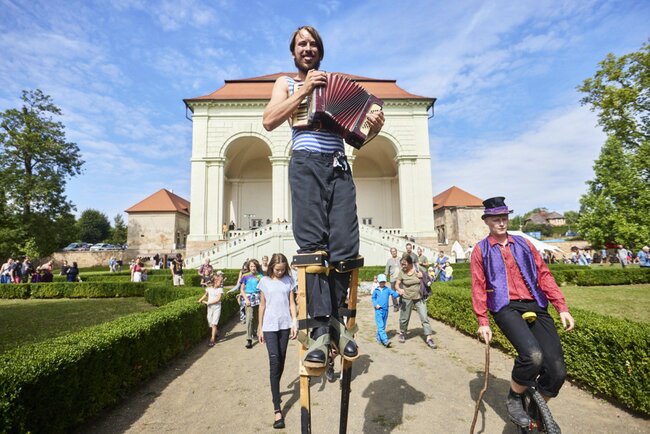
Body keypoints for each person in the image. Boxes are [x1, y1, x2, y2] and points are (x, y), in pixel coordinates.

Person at [262, 25, 384, 367]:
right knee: (313, 246)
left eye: (313, 43)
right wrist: (303, 91)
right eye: (302, 43)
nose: (308, 47)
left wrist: (372, 129)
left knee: (345, 245)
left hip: (338, 164)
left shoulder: (336, 83)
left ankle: (336, 323)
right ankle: (318, 329)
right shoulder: (286, 84)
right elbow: (269, 120)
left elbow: (357, 136)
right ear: (293, 52)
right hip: (305, 163)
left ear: (320, 50)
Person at [470, 196, 575, 428]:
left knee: (557, 372)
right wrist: (483, 320)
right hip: (505, 306)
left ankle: (537, 412)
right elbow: (478, 285)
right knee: (533, 356)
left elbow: (544, 274)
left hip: (535, 303)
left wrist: (561, 307)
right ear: (487, 220)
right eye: (496, 218)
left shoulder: (524, 244)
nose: (501, 222)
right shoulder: (480, 250)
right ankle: (515, 397)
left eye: (504, 217)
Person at [257, 253, 298, 429]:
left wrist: (294, 321)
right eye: (277, 270)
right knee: (274, 361)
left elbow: (292, 303)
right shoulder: (264, 282)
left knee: (280, 362)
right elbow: (262, 305)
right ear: (271, 267)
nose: (280, 272)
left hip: (284, 324)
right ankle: (277, 409)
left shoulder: (289, 280)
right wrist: (259, 327)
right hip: (269, 326)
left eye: (282, 270)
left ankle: (276, 387)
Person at [395, 253, 437, 349]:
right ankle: (402, 332)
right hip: (406, 297)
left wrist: (422, 276)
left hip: (419, 297)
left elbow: (429, 278)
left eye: (404, 264)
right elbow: (397, 284)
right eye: (402, 264)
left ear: (410, 263)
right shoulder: (402, 272)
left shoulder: (419, 269)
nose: (403, 266)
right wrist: (399, 289)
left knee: (424, 317)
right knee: (404, 318)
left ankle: (429, 337)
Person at [240, 259, 264, 349]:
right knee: (249, 318)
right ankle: (249, 339)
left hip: (258, 298)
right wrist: (246, 299)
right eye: (251, 266)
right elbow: (242, 289)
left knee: (257, 318)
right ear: (249, 267)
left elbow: (263, 289)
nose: (253, 268)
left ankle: (255, 333)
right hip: (249, 298)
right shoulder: (245, 276)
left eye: (254, 266)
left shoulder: (260, 276)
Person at [372, 274, 400, 347]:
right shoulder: (376, 290)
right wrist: (375, 304)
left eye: (383, 282)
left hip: (386, 310)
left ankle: (378, 338)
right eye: (381, 282)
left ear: (385, 282)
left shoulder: (387, 289)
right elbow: (373, 298)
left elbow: (394, 294)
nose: (382, 283)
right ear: (378, 282)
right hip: (378, 310)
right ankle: (385, 340)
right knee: (380, 325)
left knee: (383, 325)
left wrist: (400, 293)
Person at [198, 273, 224, 347]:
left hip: (217, 307)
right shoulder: (209, 289)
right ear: (215, 281)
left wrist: (208, 302)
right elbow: (205, 295)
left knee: (214, 323)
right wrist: (200, 300)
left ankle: (212, 339)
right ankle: (217, 332)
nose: (221, 283)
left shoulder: (220, 289)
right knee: (210, 322)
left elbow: (218, 299)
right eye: (220, 281)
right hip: (210, 308)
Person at [384, 247, 401, 312]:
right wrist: (384, 279)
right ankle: (396, 306)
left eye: (395, 251)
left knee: (402, 291)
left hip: (400, 279)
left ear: (396, 252)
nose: (394, 252)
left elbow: (404, 267)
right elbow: (386, 271)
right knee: (393, 293)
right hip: (392, 279)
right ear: (391, 253)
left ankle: (401, 303)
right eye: (392, 251)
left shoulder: (400, 259)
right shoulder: (389, 261)